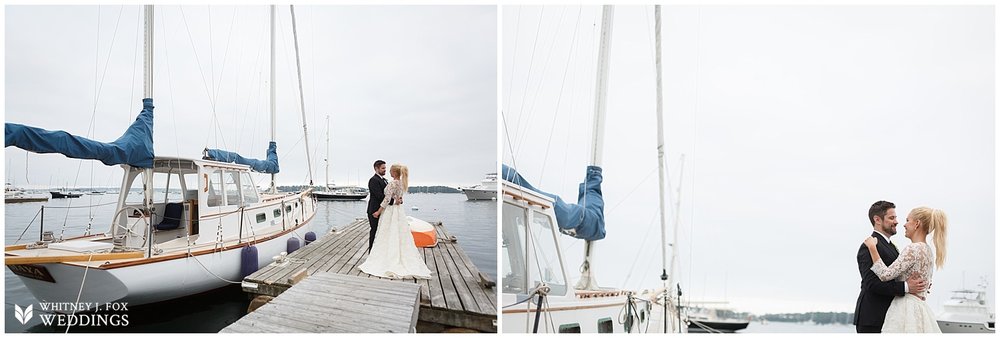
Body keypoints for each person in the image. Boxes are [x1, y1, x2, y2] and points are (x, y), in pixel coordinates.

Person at [861, 206, 947, 333]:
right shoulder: (927, 250)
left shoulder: (912, 249)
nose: (904, 224)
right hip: (920, 306)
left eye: (907, 220)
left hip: (906, 308)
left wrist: (872, 248)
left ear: (917, 223)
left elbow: (885, 275)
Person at [854, 201, 927, 333]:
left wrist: (920, 283)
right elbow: (871, 284)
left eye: (896, 217)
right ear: (877, 220)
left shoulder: (892, 247)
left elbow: (897, 274)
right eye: (891, 218)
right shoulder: (869, 246)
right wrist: (907, 287)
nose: (897, 222)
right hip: (873, 318)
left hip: (892, 317)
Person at [358, 164, 432, 279]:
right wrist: (398, 200)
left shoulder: (392, 183)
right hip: (398, 211)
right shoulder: (401, 183)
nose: (388, 172)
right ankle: (392, 255)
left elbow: (386, 199)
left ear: (394, 172)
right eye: (384, 168)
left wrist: (378, 211)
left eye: (390, 170)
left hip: (389, 211)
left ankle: (383, 258)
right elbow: (399, 197)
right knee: (396, 233)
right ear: (376, 168)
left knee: (386, 233)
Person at [367, 160, 391, 254]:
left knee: (381, 231)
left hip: (382, 210)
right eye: (383, 168)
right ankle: (371, 252)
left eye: (385, 168)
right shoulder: (373, 180)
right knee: (374, 230)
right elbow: (380, 196)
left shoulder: (383, 180)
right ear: (376, 168)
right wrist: (393, 201)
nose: (385, 170)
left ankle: (379, 252)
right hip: (374, 210)